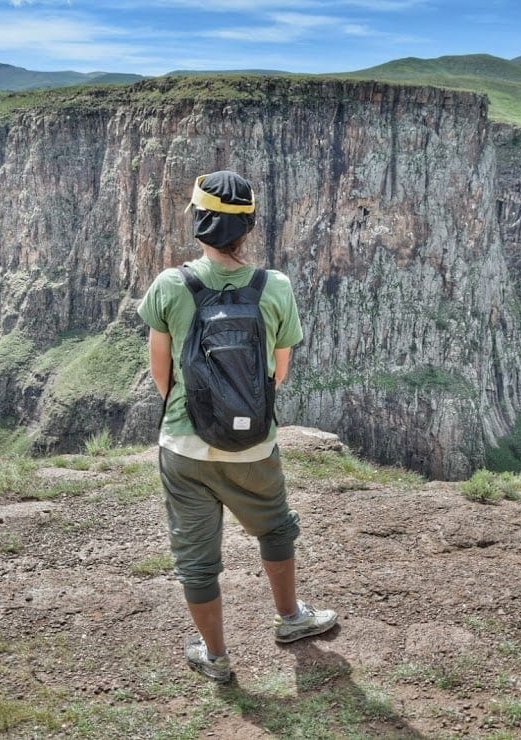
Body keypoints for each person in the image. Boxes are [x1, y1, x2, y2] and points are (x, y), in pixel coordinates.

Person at [137, 170, 338, 683]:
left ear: (199, 224)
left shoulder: (169, 286)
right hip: (254, 446)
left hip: (184, 448)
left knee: (196, 558)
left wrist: (199, 419)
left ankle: (216, 657)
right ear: (246, 228)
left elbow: (161, 376)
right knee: (275, 526)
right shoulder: (275, 287)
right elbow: (280, 372)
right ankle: (291, 619)